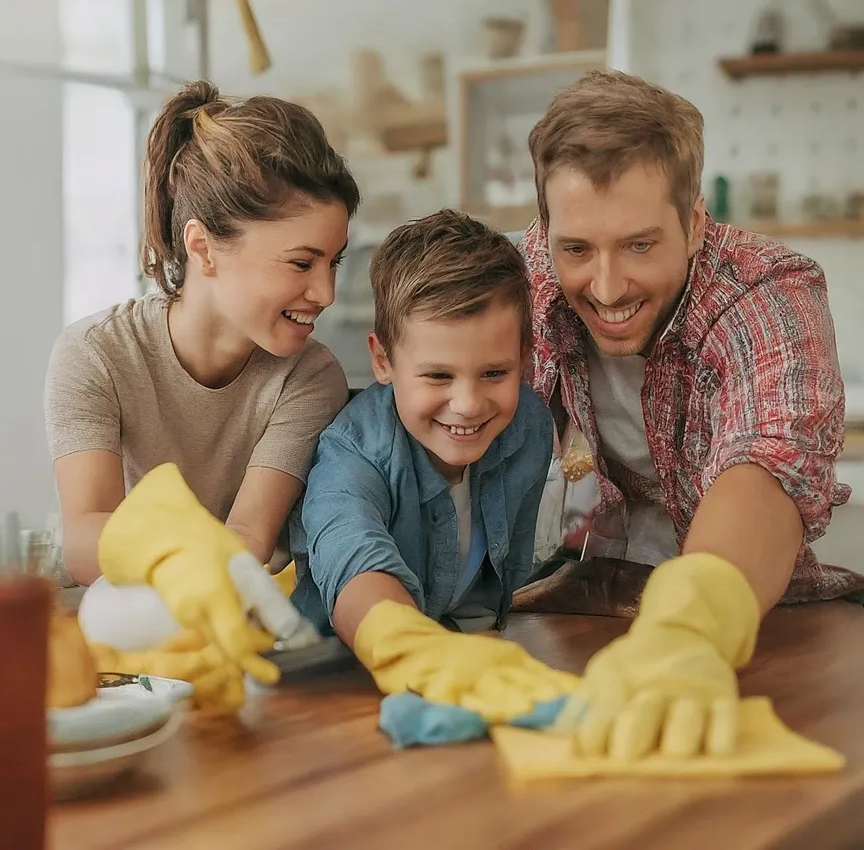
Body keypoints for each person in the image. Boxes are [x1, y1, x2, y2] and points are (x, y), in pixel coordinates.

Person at [515, 69, 864, 759]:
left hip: (746, 616)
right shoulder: (524, 275)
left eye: (641, 245)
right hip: (592, 596)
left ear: (696, 221)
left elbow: (767, 464)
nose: (607, 287)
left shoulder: (768, 292)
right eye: (577, 249)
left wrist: (690, 631)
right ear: (547, 229)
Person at [44, 80, 360, 586]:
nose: (326, 292)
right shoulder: (96, 355)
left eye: (333, 261)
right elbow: (84, 545)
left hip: (236, 619)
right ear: (204, 247)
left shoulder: (310, 376)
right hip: (118, 623)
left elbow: (250, 538)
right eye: (302, 262)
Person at [289, 209, 554, 649]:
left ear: (524, 358)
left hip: (456, 667)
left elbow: (496, 591)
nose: (468, 405)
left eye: (494, 373)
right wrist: (419, 655)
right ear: (383, 361)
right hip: (332, 682)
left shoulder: (528, 429)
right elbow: (354, 560)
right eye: (438, 376)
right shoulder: (353, 456)